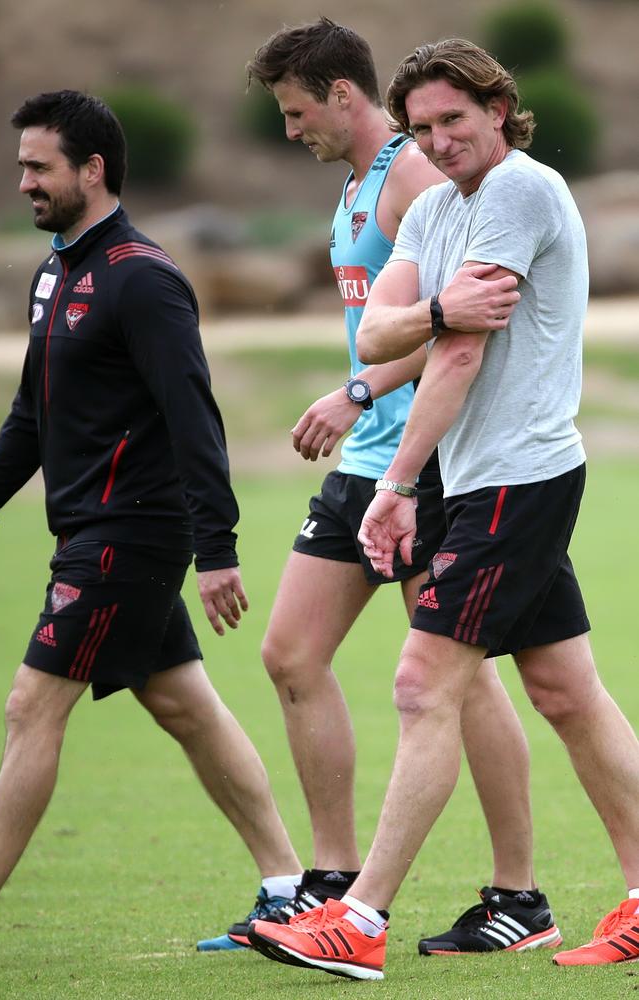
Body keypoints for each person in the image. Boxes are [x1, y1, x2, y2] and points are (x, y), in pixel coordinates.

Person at [247, 38, 639, 978]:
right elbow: (378, 329)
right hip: (474, 479)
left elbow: (457, 353)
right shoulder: (434, 204)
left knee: (424, 683)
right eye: (423, 126)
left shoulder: (519, 191)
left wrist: (392, 484)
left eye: (454, 120)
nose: (440, 140)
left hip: (517, 478)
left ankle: (361, 917)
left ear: (498, 109)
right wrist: (427, 317)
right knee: (565, 693)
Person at [201, 19, 556, 957]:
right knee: (291, 654)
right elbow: (388, 322)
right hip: (368, 464)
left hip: (428, 465)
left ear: (342, 95)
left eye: (296, 111)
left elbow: (458, 326)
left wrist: (360, 391)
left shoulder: (416, 176)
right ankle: (327, 881)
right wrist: (360, 389)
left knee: (456, 680)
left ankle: (518, 891)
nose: (290, 131)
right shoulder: (357, 188)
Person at [0, 90, 305, 941]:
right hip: (95, 529)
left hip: (127, 534)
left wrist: (219, 550)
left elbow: (193, 416)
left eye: (38, 165)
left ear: (92, 170)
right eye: (21, 165)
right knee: (183, 704)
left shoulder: (145, 278)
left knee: (30, 707)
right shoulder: (56, 270)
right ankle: (289, 888)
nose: (23, 181)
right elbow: (32, 415)